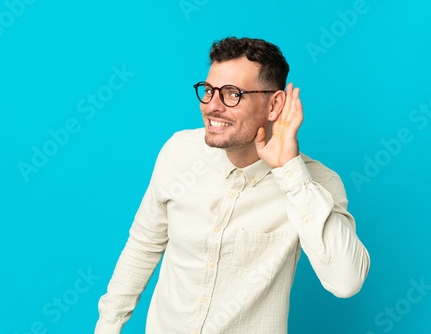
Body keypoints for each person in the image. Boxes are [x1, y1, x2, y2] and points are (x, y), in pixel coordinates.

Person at [95, 37, 370, 334]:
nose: (212, 106)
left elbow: (347, 282)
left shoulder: (316, 184)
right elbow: (143, 246)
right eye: (209, 91)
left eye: (232, 94)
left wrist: (290, 173)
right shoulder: (177, 152)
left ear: (275, 104)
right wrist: (107, 327)